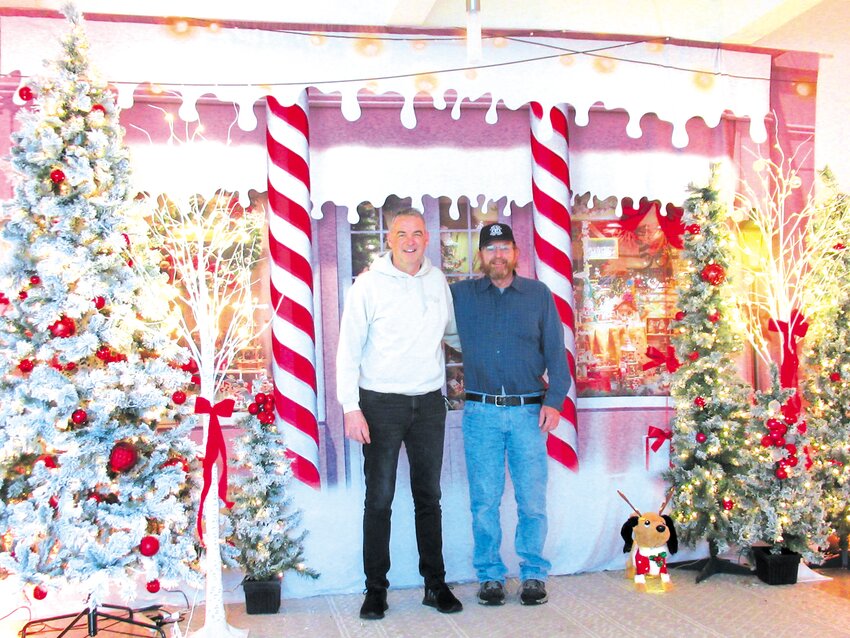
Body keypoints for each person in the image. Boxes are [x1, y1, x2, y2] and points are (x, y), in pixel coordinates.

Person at [336, 207, 463, 620]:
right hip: (380, 405)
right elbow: (348, 351)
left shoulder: (437, 280)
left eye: (417, 233)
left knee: (430, 498)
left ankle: (435, 584)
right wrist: (351, 408)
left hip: (428, 404)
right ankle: (375, 590)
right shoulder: (368, 286)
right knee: (380, 499)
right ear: (388, 240)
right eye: (401, 233)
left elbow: (454, 335)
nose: (410, 240)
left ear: (427, 239)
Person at [450, 222, 569, 607]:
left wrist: (554, 401)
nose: (498, 255)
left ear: (515, 253)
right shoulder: (461, 296)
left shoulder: (537, 295)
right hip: (481, 413)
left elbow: (556, 353)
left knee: (531, 501)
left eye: (504, 247)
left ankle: (533, 573)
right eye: (490, 249)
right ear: (481, 256)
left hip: (528, 414)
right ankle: (489, 576)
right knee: (484, 502)